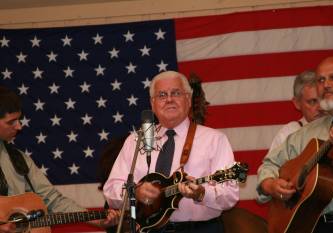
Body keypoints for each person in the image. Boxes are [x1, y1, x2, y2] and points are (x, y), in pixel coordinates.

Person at [103, 70, 239, 233]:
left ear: (188, 99)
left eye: (176, 93)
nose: (169, 99)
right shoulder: (135, 140)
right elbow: (111, 190)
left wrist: (201, 193)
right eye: (161, 95)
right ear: (152, 104)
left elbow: (230, 195)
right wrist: (135, 192)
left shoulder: (215, 140)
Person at [0, 86, 118, 233]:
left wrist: (98, 220)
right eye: (11, 122)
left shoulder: (18, 159)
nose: (19, 126)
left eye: (19, 119)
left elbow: (53, 200)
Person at [256, 56, 333, 233]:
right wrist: (271, 185)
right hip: (310, 225)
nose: (326, 84)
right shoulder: (306, 133)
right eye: (321, 80)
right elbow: (269, 164)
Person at [269, 70, 322, 151]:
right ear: (297, 103)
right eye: (312, 102)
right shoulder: (287, 134)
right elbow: (271, 164)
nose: (320, 107)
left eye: (323, 100)